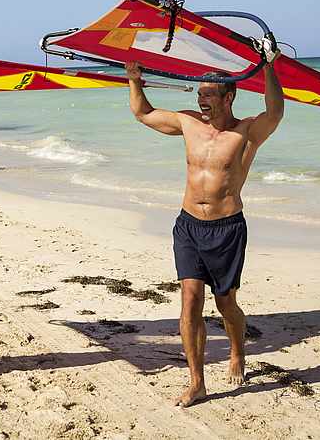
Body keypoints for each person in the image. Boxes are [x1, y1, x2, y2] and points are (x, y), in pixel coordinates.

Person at [126, 41, 283, 407]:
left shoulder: (245, 132)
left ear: (229, 97)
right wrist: (134, 80)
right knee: (190, 300)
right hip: (188, 226)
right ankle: (197, 381)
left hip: (227, 230)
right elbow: (143, 113)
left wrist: (268, 65)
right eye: (200, 94)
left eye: (210, 95)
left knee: (226, 304)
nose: (202, 101)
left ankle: (237, 351)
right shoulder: (188, 123)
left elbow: (275, 112)